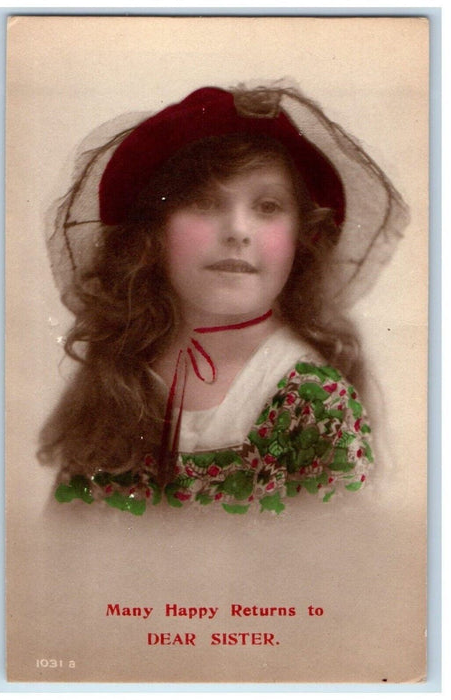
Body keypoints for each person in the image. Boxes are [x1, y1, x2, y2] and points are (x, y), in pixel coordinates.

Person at [39, 84, 408, 515]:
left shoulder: (315, 401)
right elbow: (68, 545)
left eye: (268, 206)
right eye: (203, 201)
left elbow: (335, 566)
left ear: (303, 238)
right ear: (153, 232)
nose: (237, 230)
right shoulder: (120, 373)